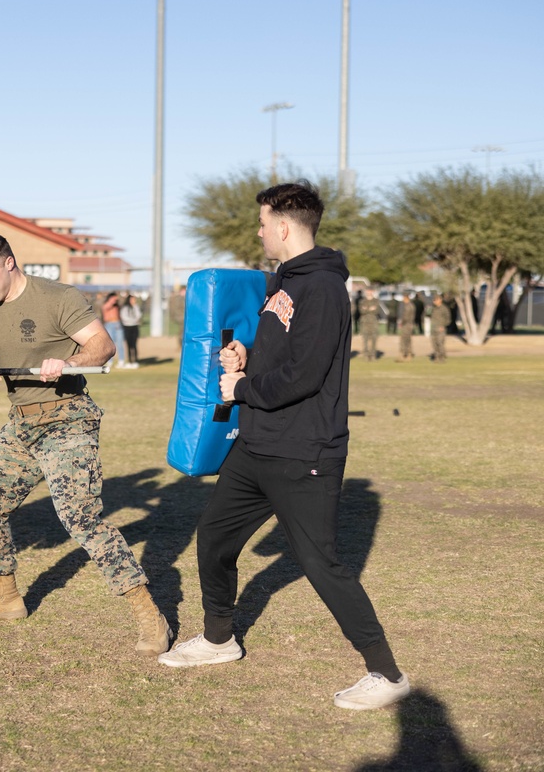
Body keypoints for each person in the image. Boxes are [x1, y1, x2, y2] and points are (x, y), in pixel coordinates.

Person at [157, 181, 409, 710]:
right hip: (256, 446)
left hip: (305, 452)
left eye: (263, 221)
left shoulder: (322, 288)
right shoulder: (284, 284)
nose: (259, 230)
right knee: (214, 538)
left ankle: (386, 673)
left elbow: (307, 374)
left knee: (321, 563)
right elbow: (281, 358)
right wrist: (244, 361)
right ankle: (220, 640)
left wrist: (242, 389)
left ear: (285, 226)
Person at [0, 232, 171, 657]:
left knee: (80, 518)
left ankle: (149, 615)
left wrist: (69, 362)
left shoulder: (58, 297)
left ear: (8, 263)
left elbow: (102, 346)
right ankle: (6, 598)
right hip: (21, 424)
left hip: (67, 417)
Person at [100, 291, 125, 368]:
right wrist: (112, 301)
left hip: (117, 324)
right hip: (109, 325)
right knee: (110, 344)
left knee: (120, 343)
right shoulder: (106, 305)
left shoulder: (116, 306)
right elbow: (106, 308)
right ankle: (110, 361)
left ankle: (121, 361)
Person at [119, 293, 142, 368]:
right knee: (128, 345)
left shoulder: (136, 307)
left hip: (134, 327)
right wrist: (132, 320)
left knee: (134, 344)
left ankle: (135, 360)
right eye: (132, 299)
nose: (134, 301)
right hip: (127, 327)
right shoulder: (125, 308)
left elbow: (138, 315)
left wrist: (134, 321)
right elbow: (124, 317)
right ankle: (129, 361)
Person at [358, 288, 380, 361]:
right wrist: (370, 309)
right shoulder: (362, 301)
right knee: (365, 338)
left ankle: (373, 354)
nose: (369, 292)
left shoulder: (376, 301)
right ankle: (366, 354)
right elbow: (361, 311)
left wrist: (366, 309)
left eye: (370, 290)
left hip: (373, 322)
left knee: (374, 338)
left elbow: (376, 311)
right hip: (364, 322)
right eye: (368, 290)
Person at [430, 293, 451, 362]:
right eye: (434, 300)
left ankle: (442, 357)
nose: (434, 301)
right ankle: (437, 357)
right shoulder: (433, 308)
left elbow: (448, 319)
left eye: (436, 300)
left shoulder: (444, 309)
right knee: (434, 343)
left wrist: (443, 326)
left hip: (440, 329)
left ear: (440, 300)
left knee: (440, 343)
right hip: (433, 329)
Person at [397, 292, 416, 362]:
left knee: (406, 340)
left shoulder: (409, 306)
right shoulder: (408, 305)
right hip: (406, 324)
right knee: (404, 340)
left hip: (407, 325)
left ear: (406, 298)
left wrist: (401, 322)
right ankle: (404, 354)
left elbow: (406, 316)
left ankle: (407, 354)